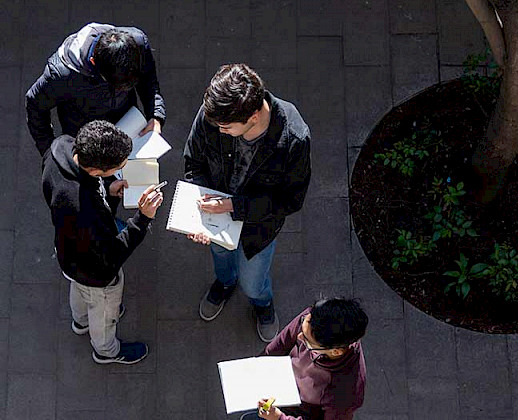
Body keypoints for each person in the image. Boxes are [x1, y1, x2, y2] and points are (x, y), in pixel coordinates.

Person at [184, 63, 311, 342]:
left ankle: (261, 303)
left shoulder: (293, 140)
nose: (219, 130)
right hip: (215, 217)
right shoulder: (215, 115)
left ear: (253, 116)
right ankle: (225, 283)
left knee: (253, 283)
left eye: (226, 128)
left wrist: (233, 206)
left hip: (258, 229)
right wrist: (197, 204)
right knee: (221, 258)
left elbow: (290, 200)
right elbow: (194, 160)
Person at [42, 120, 163, 364]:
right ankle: (106, 350)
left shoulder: (60, 147)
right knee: (105, 308)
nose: (122, 169)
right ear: (97, 170)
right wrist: (143, 218)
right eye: (118, 168)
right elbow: (113, 255)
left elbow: (85, 188)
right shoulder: (83, 210)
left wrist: (107, 188)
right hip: (97, 272)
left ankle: (81, 321)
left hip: (68, 255)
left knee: (78, 288)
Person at [26, 22, 166, 157]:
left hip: (128, 129)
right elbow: (35, 105)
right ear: (93, 61)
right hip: (86, 146)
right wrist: (51, 154)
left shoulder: (138, 43)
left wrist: (155, 116)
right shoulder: (62, 75)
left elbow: (149, 81)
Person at [241, 298, 369, 420]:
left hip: (298, 413)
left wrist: (279, 418)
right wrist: (260, 364)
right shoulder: (313, 318)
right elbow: (280, 343)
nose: (299, 336)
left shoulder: (345, 391)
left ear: (335, 351)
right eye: (303, 324)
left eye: (307, 342)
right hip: (281, 384)